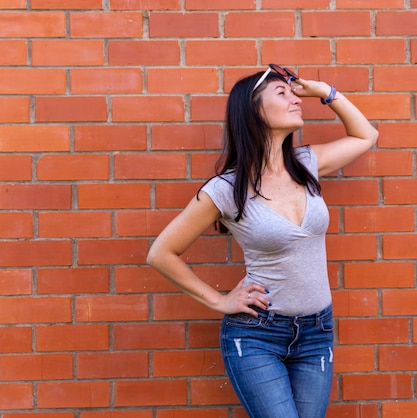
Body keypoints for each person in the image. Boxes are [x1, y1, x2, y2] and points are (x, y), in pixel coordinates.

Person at [147, 64, 378, 418]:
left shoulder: (306, 164)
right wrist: (220, 300)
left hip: (317, 333)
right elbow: (161, 253)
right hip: (258, 336)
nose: (294, 100)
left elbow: (366, 136)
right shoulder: (226, 189)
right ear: (254, 111)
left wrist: (325, 93)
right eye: (282, 94)